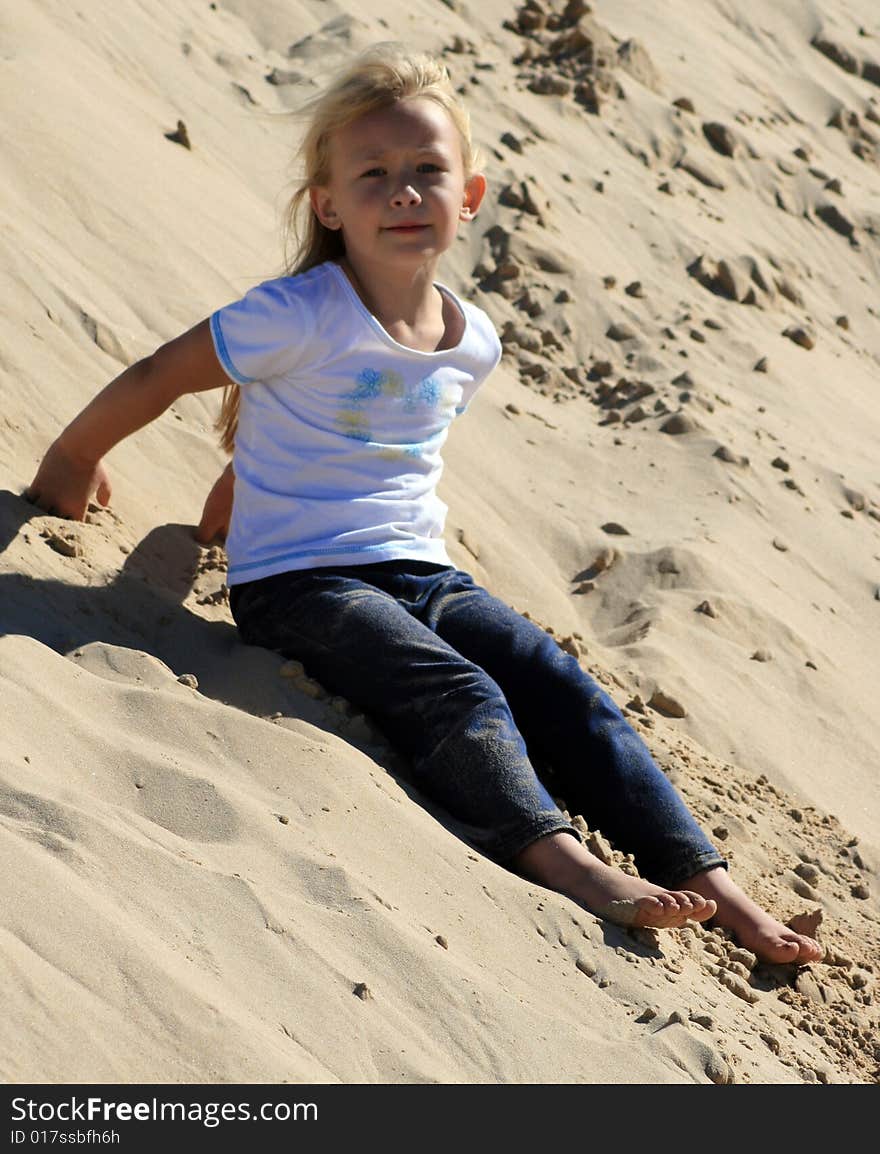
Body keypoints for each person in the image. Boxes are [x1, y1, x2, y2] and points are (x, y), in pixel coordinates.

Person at [26, 45, 821, 965]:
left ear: (470, 196)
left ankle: (720, 888)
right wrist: (73, 457)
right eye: (374, 175)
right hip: (299, 583)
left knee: (565, 690)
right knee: (462, 692)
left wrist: (238, 485)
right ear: (328, 205)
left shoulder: (470, 339)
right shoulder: (297, 312)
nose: (404, 191)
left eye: (427, 171)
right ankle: (567, 863)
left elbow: (352, 432)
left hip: (422, 569)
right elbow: (161, 374)